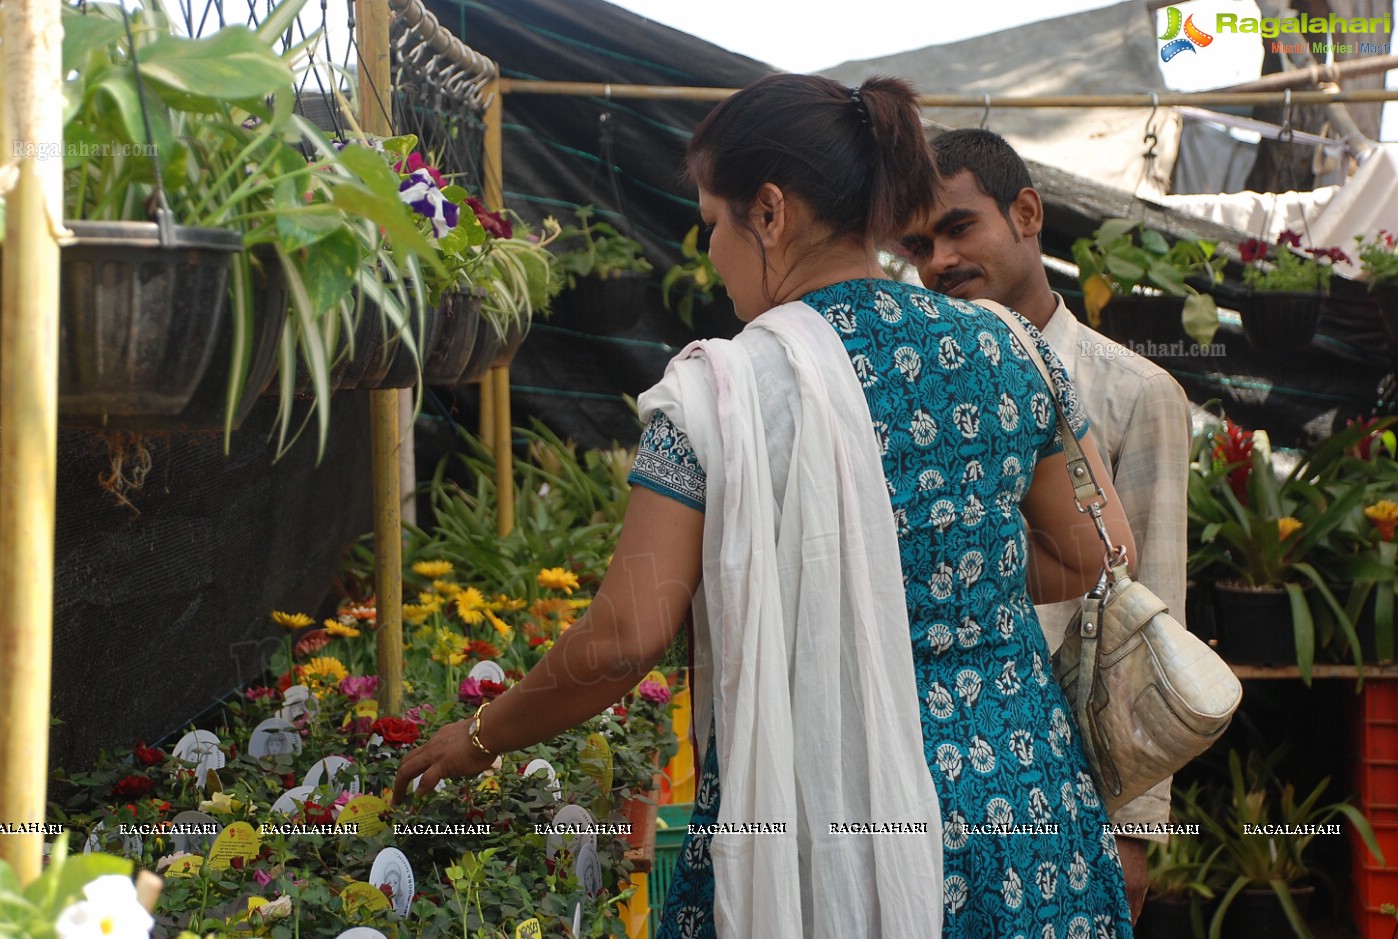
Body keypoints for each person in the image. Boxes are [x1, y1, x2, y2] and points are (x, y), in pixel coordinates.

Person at [395, 75, 1137, 939]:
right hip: (1025, 807)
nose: (708, 250)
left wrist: (481, 735)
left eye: (713, 221)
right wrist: (944, 587)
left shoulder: (722, 395)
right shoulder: (1012, 347)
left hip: (823, 822)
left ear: (772, 212)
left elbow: (625, 635)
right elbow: (1095, 549)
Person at [902, 127, 1194, 921]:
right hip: (937, 777)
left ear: (1027, 212)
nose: (938, 262)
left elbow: (1153, 611)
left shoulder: (1133, 391)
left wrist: (1133, 830)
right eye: (918, 243)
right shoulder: (913, 388)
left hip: (1071, 784)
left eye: (959, 227)